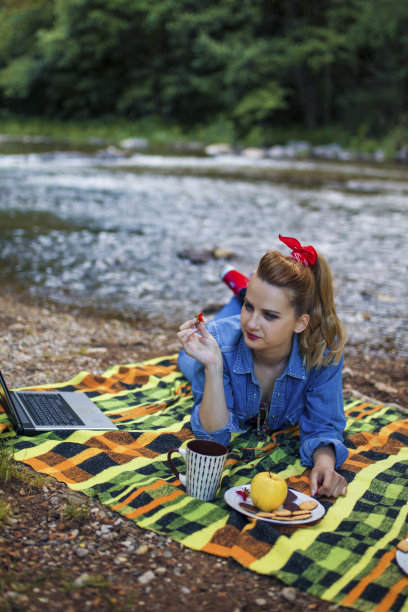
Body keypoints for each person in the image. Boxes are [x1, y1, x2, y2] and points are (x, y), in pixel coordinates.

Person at [177, 235, 348, 499]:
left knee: (240, 319)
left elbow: (324, 423)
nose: (253, 324)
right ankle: (240, 295)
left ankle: (242, 292)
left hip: (247, 328)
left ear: (301, 323)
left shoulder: (322, 353)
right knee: (185, 362)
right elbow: (211, 441)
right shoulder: (220, 343)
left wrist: (324, 463)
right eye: (250, 307)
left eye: (270, 315)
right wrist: (212, 365)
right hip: (224, 338)